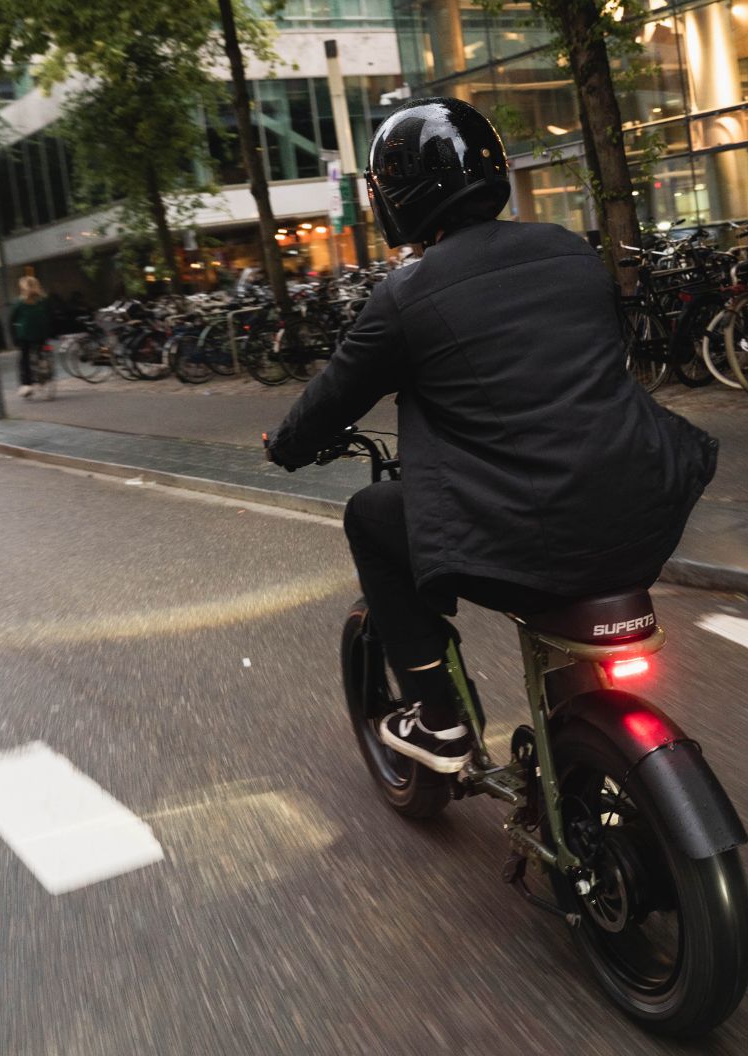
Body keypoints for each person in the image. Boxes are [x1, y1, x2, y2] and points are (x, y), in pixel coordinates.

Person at [266, 98, 717, 774]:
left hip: (532, 537)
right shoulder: (572, 253)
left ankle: (438, 719)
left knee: (368, 516)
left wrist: (285, 446)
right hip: (643, 510)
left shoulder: (406, 297)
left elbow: (331, 400)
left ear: (396, 198)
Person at [12, 275, 51, 398]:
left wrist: (13, 337)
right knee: (42, 351)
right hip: (42, 334)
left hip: (25, 335)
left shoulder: (19, 302)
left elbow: (12, 320)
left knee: (24, 359)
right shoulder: (43, 300)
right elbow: (50, 316)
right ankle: (43, 367)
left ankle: (27, 384)